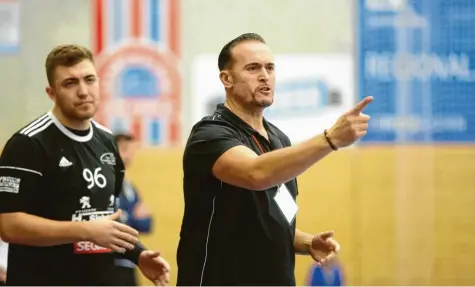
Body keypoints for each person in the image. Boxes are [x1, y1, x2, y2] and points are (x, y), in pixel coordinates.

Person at [176, 33, 373, 286]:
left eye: (270, 68)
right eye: (252, 68)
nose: (264, 76)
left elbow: (276, 219)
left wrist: (307, 242)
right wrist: (330, 139)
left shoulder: (279, 140)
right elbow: (255, 174)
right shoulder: (209, 134)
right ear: (227, 78)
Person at [0, 44, 170, 286]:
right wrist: (85, 230)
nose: (83, 91)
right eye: (70, 83)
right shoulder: (27, 144)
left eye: (89, 80)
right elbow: (9, 225)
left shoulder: (107, 141)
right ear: (51, 93)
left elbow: (108, 220)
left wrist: (138, 255)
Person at [114, 133, 154, 286]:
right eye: (124, 149)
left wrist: (130, 217)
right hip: (109, 264)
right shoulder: (104, 184)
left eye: (131, 150)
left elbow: (147, 224)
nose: (129, 155)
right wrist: (133, 217)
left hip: (129, 263)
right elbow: (116, 224)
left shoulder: (129, 187)